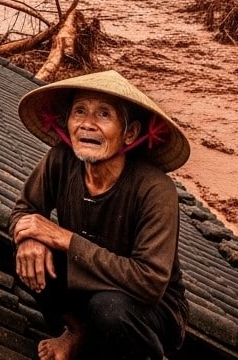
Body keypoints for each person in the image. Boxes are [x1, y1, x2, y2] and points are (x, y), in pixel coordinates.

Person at [10, 70, 191, 360]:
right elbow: (24, 209)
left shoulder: (155, 189)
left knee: (109, 309)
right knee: (27, 255)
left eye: (103, 114)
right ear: (67, 123)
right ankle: (77, 330)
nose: (87, 124)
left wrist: (65, 239)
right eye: (79, 111)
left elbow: (150, 281)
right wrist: (29, 239)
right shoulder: (60, 160)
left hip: (148, 307)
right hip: (90, 282)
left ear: (129, 133)